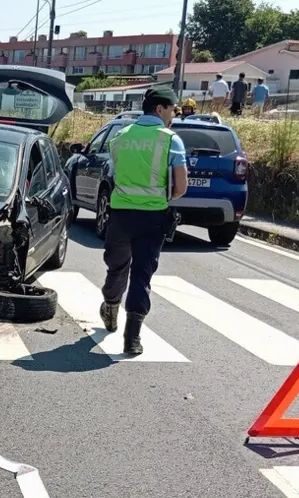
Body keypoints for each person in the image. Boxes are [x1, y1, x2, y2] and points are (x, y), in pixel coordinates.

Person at [99, 86, 189, 356]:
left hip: (120, 215)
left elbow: (115, 173)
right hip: (153, 217)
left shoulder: (121, 136)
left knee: (117, 267)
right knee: (142, 274)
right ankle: (132, 338)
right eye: (172, 109)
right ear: (160, 109)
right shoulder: (170, 139)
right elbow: (181, 187)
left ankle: (111, 306)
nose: (174, 115)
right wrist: (163, 196)